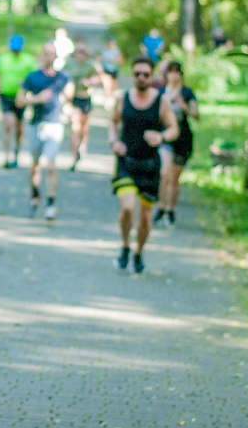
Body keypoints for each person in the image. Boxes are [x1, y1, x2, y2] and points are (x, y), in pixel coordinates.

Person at [109, 56, 178, 274]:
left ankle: (138, 251)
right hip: (126, 162)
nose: (141, 78)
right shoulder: (123, 98)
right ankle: (125, 246)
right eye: (137, 74)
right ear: (132, 75)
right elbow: (113, 122)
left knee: (145, 215)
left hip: (149, 166)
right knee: (128, 207)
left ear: (153, 76)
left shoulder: (162, 101)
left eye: (146, 74)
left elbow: (173, 129)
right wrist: (114, 141)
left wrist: (161, 137)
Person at [18, 43, 71, 220]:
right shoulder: (33, 77)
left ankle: (50, 203)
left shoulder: (61, 77)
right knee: (35, 164)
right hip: (35, 125)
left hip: (54, 125)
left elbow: (68, 93)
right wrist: (34, 99)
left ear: (56, 57)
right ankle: (35, 195)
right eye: (46, 53)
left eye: (51, 54)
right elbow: (20, 100)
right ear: (41, 55)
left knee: (50, 164)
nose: (48, 57)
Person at [154, 61, 198, 227]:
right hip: (166, 137)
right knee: (164, 172)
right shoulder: (160, 92)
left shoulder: (187, 93)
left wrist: (184, 107)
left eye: (176, 71)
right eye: (170, 71)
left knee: (174, 178)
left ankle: (170, 210)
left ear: (181, 74)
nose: (173, 75)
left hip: (183, 139)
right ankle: (160, 207)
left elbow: (196, 114)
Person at [0, 35, 36, 168]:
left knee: (19, 127)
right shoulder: (3, 58)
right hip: (6, 96)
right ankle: (7, 156)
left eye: (17, 50)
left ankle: (16, 153)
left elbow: (33, 78)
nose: (15, 52)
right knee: (8, 124)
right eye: (13, 49)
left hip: (21, 98)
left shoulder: (28, 59)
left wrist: (26, 86)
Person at [60, 40, 98, 170]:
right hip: (73, 99)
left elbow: (98, 77)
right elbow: (61, 78)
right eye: (78, 52)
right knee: (74, 127)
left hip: (85, 98)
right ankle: (74, 155)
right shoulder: (69, 65)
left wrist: (90, 81)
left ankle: (82, 147)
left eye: (82, 52)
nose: (80, 54)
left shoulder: (90, 65)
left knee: (83, 128)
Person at [99, 37, 121, 101]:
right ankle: (107, 98)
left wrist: (114, 60)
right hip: (106, 70)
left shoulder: (117, 50)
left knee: (113, 86)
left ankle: (113, 98)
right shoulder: (104, 50)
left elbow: (121, 60)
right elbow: (100, 59)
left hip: (114, 70)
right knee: (106, 84)